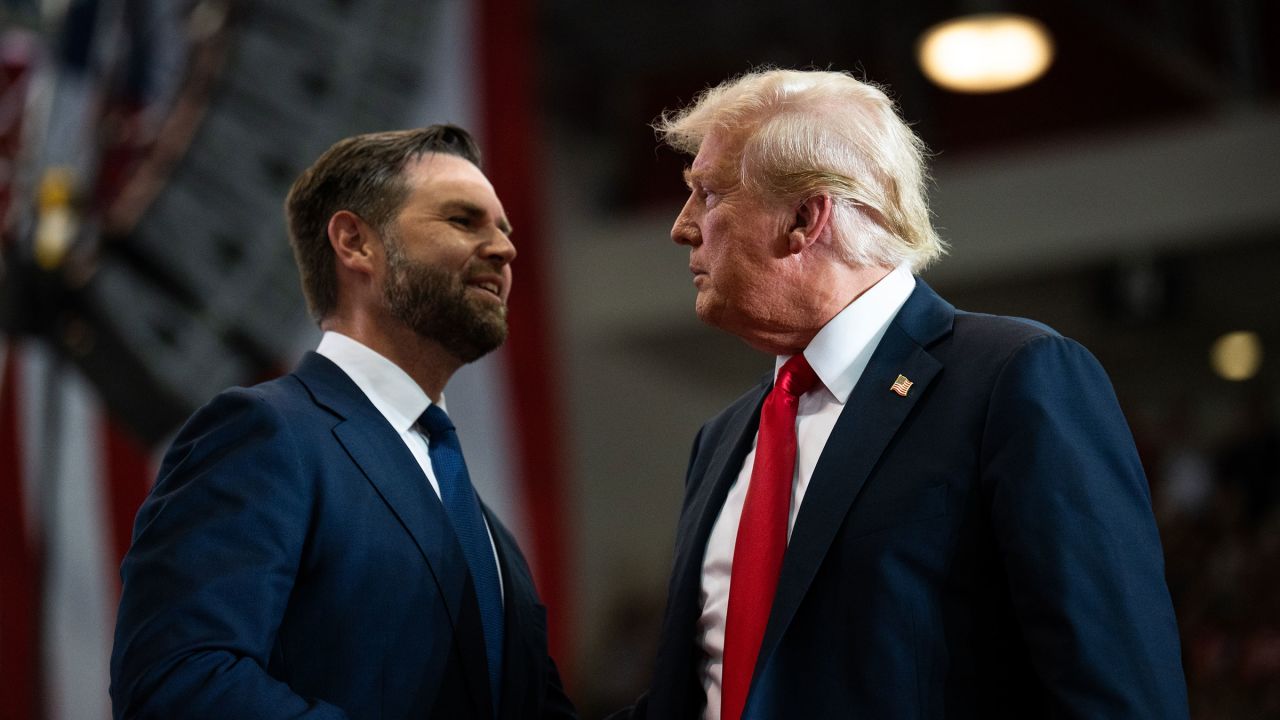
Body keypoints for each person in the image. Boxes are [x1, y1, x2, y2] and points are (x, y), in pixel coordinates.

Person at [622, 70, 1189, 719]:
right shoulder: (723, 438)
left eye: (708, 193)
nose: (682, 226)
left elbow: (1116, 693)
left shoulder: (1013, 380)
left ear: (805, 217)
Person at [110, 125, 576, 720]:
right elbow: (178, 681)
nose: (505, 249)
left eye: (505, 230)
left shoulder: (485, 529)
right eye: (464, 221)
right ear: (356, 242)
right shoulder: (263, 436)